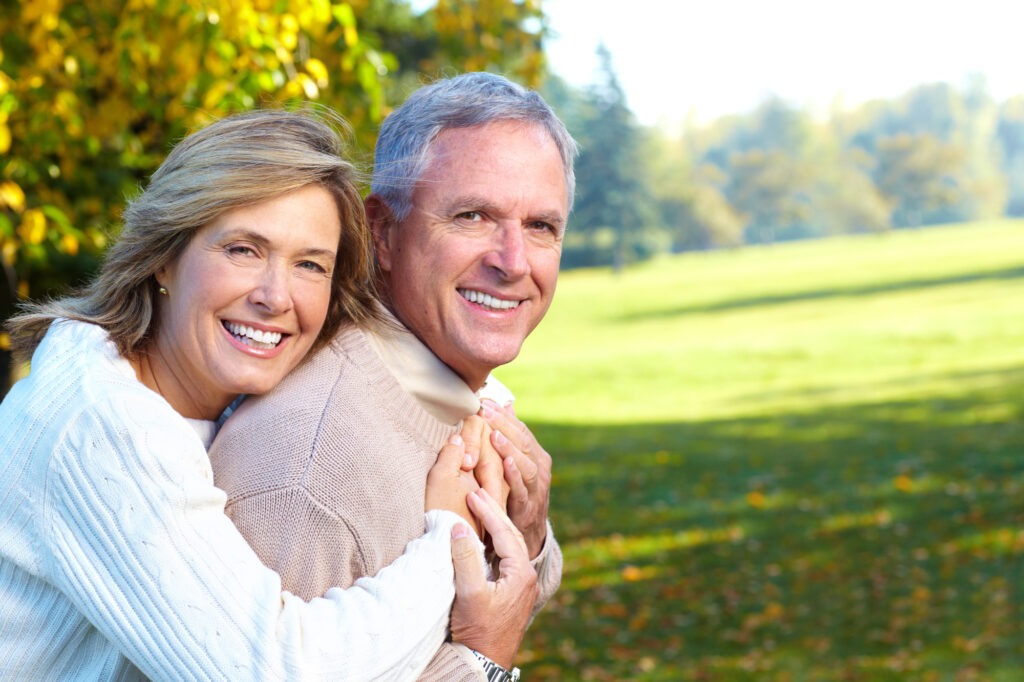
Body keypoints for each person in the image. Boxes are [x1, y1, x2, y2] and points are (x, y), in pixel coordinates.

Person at [0, 107, 538, 680]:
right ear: (164, 256)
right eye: (243, 250)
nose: (276, 297)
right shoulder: (100, 425)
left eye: (310, 265)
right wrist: (449, 547)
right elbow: (269, 670)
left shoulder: (197, 398)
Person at [209, 72, 577, 681]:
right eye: (473, 216)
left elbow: (487, 610)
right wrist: (483, 661)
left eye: (541, 226)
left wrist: (527, 536)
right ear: (381, 231)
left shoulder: (448, 394)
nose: (513, 262)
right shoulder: (306, 476)